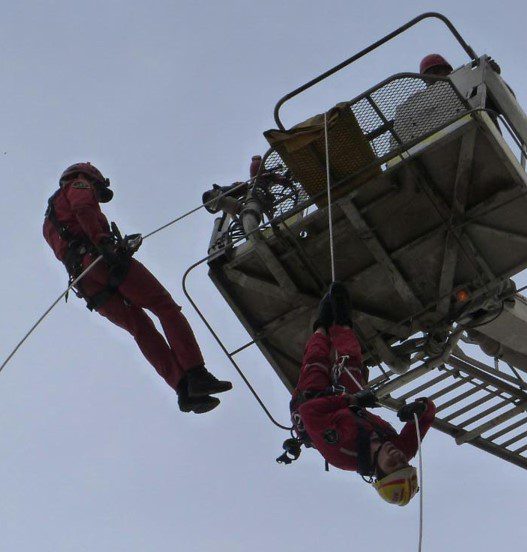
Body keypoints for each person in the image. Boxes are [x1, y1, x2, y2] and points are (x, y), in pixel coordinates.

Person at [43, 162, 232, 414]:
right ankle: (197, 374)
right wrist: (103, 242)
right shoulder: (78, 184)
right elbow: (82, 206)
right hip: (102, 260)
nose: (97, 194)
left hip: (86, 282)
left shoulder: (49, 220)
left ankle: (183, 389)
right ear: (91, 178)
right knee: (165, 307)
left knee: (140, 328)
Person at [287, 283, 436, 506]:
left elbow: (309, 412)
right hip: (349, 404)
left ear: (379, 472)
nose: (398, 457)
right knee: (351, 360)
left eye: (393, 465)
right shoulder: (402, 449)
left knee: (317, 362)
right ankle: (342, 320)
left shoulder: (342, 452)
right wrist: (421, 407)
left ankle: (321, 327)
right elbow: (427, 417)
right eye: (404, 463)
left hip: (316, 405)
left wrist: (351, 400)